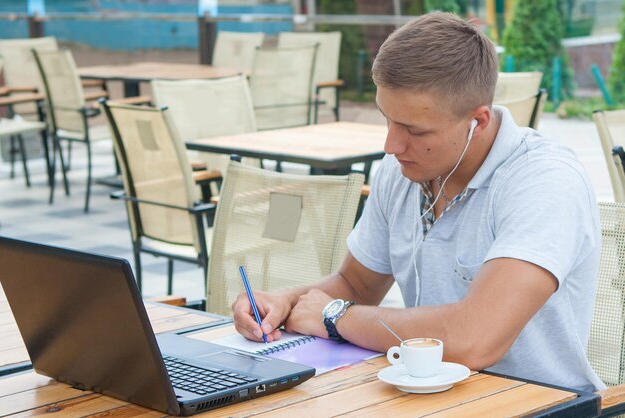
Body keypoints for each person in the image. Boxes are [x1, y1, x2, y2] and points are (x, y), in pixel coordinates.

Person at [232, 12, 604, 392]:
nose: (391, 146)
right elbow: (356, 284)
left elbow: (474, 339)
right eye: (388, 119)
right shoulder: (403, 169)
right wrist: (284, 302)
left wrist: (334, 316)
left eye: (415, 130)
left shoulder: (544, 181)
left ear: (478, 121)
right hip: (425, 395)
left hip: (540, 402)